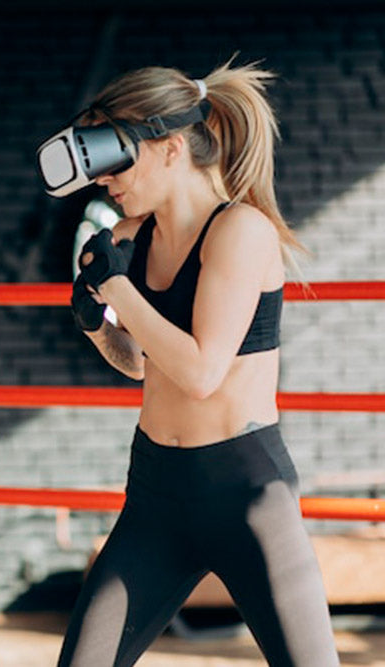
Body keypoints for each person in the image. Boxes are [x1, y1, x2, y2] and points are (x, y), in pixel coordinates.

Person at [58, 58, 340, 665]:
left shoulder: (241, 229)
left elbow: (202, 373)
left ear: (170, 147)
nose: (105, 180)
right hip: (157, 492)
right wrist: (95, 326)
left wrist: (120, 292)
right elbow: (141, 365)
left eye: (117, 156)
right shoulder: (135, 239)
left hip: (243, 491)